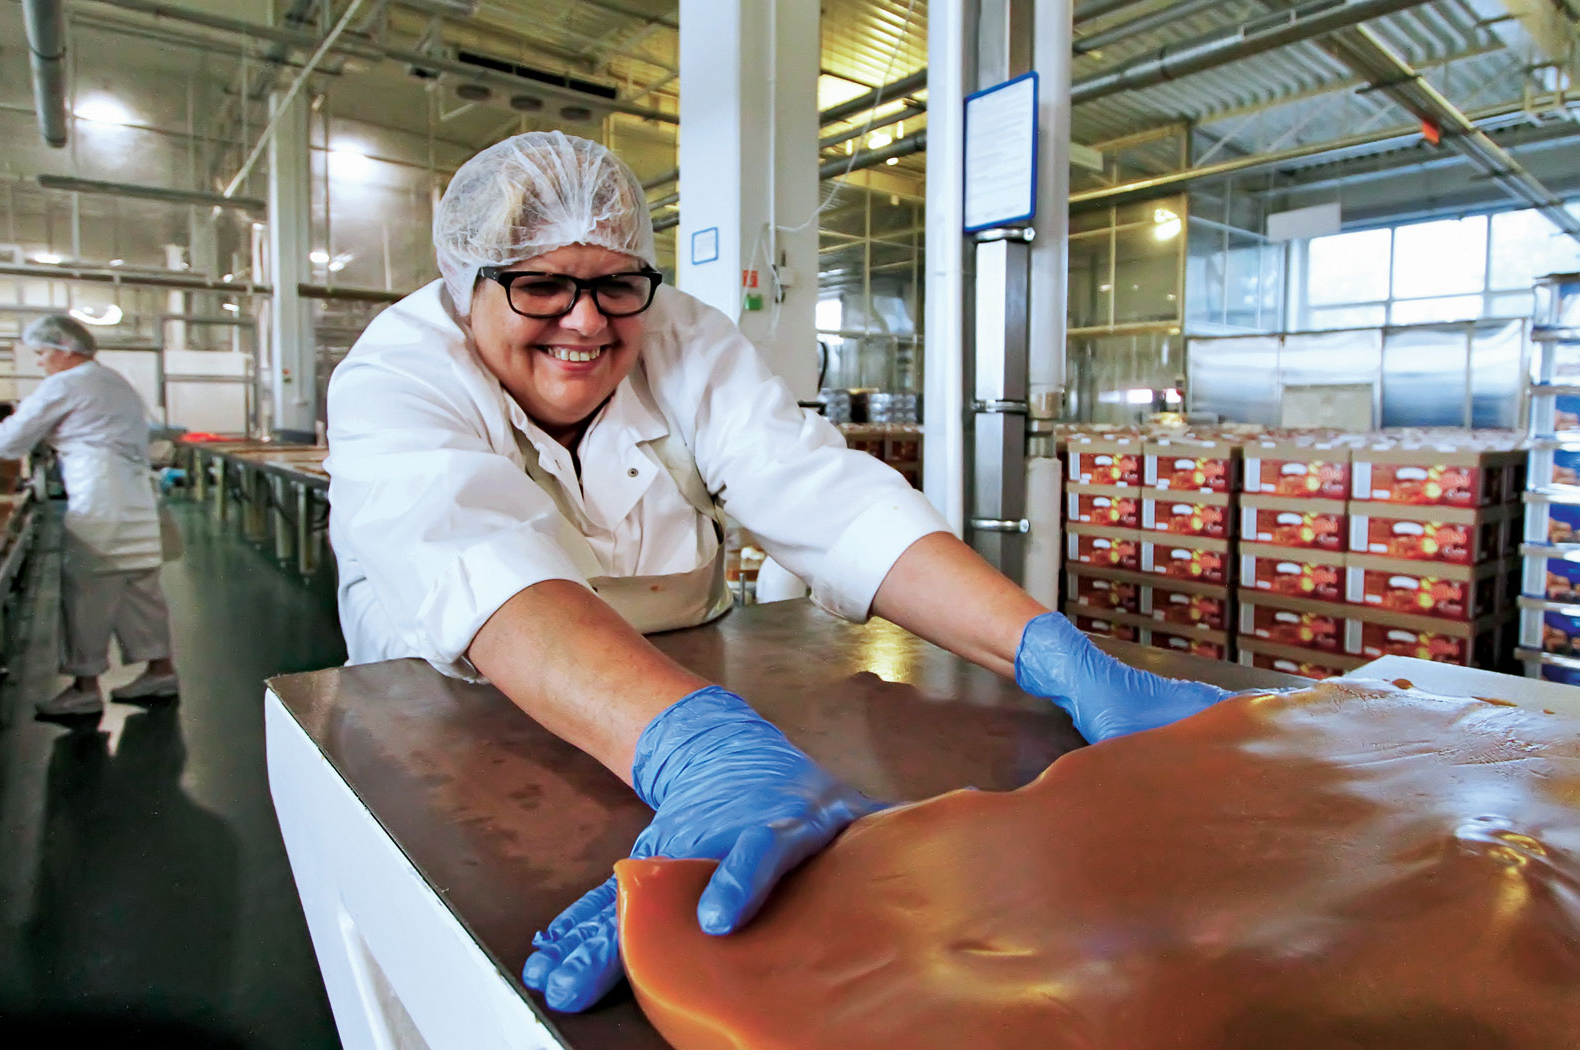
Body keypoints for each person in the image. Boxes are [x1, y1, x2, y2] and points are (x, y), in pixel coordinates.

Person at [325, 131, 1228, 1012]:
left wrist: (1051, 651)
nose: (587, 320)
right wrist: (706, 752)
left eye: (616, 284)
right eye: (542, 286)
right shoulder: (397, 375)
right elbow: (474, 562)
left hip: (687, 701)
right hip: (460, 729)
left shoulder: (681, 339)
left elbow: (825, 499)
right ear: (468, 284)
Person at [0, 314, 179, 718]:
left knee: (87, 590)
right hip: (135, 497)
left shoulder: (67, 383)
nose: (40, 361)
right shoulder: (112, 380)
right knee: (140, 588)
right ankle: (161, 671)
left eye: (42, 352)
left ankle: (84, 688)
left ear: (66, 349)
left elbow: (18, 431)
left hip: (100, 497)